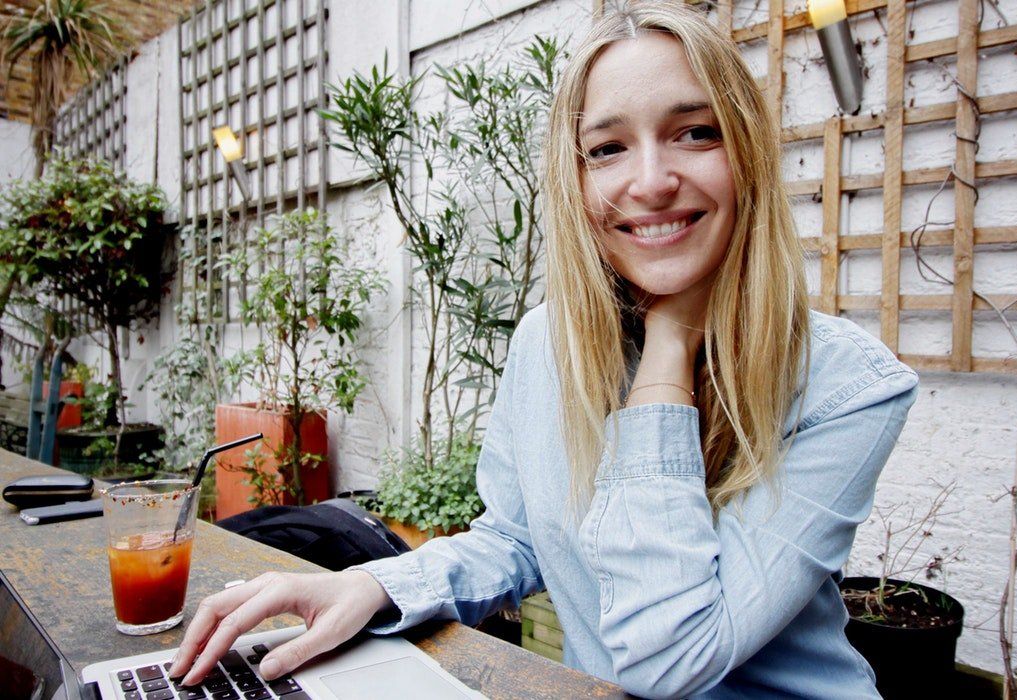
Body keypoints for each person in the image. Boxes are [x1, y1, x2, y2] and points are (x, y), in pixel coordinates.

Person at [170, 4, 918, 697]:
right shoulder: (547, 343)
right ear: (577, 177)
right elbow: (516, 538)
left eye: (696, 131)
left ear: (747, 154)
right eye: (608, 148)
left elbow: (669, 656)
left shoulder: (849, 387)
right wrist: (378, 585)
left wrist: (668, 350)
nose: (652, 181)